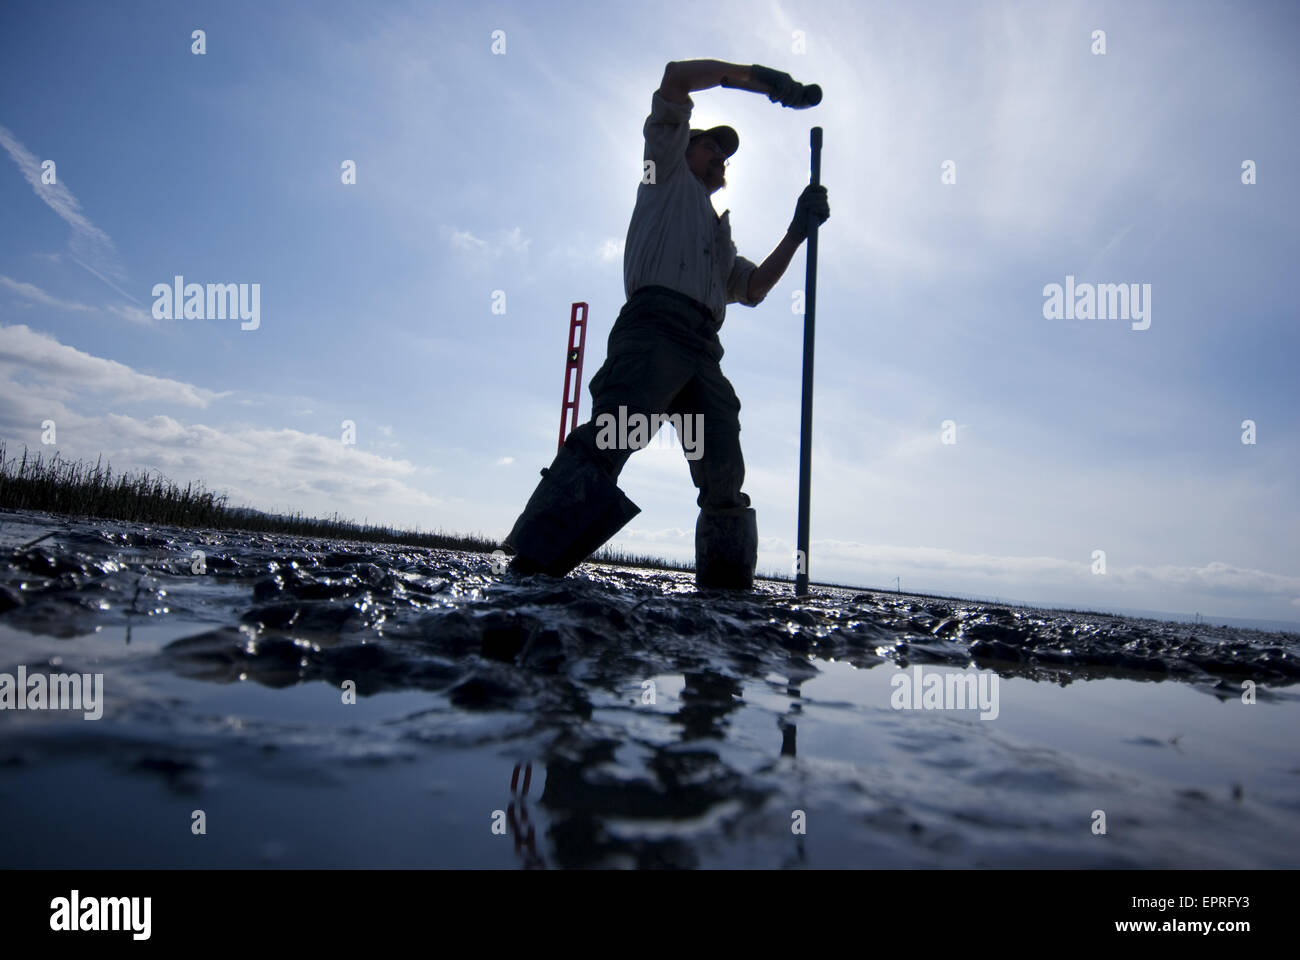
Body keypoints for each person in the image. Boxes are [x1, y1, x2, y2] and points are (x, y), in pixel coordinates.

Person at [503, 60, 830, 589]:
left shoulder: (718, 234)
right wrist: (766, 84)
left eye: (725, 155)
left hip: (704, 351)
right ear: (684, 146)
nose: (720, 157)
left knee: (722, 464)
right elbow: (677, 76)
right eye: (712, 147)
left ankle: (726, 588)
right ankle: (531, 568)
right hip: (654, 330)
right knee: (615, 435)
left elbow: (753, 288)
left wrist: (797, 231)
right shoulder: (663, 173)